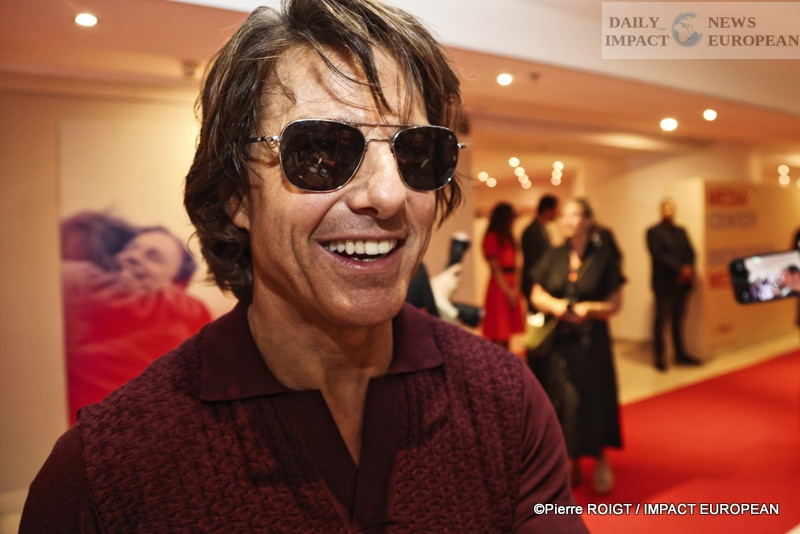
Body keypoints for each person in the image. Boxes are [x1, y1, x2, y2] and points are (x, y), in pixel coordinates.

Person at [21, 1, 587, 532]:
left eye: (415, 153)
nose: (388, 195)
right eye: (321, 153)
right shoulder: (106, 476)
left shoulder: (506, 401)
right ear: (235, 194)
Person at [60, 212, 211, 424]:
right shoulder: (87, 300)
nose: (131, 256)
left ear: (177, 287)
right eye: (131, 248)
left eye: (153, 257)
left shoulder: (182, 341)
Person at [531, 198, 624, 494]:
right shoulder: (554, 255)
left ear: (587, 220)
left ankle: (598, 457)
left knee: (594, 397)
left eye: (574, 215)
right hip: (560, 341)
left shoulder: (604, 257)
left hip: (592, 342)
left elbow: (615, 304)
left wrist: (589, 309)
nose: (567, 220)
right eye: (564, 215)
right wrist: (557, 306)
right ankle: (570, 459)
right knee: (563, 401)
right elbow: (535, 293)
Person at [646, 197, 702, 371]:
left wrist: (689, 269)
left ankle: (680, 353)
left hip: (682, 284)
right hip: (665, 284)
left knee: (679, 319)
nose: (669, 212)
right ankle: (659, 356)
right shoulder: (653, 232)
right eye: (666, 209)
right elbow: (659, 255)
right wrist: (680, 269)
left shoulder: (681, 231)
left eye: (672, 209)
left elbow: (691, 251)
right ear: (661, 211)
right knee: (661, 319)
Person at [481, 202, 525, 348]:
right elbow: (496, 269)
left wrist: (515, 289)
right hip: (500, 286)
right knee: (499, 328)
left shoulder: (508, 236)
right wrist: (509, 291)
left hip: (510, 282)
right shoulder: (493, 237)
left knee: (507, 330)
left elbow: (516, 265)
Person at [521, 194, 559, 313]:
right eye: (555, 210)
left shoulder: (543, 229)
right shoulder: (531, 231)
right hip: (535, 282)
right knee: (535, 319)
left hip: (542, 281)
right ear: (548, 210)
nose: (557, 213)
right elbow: (533, 262)